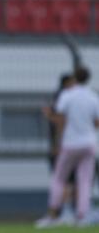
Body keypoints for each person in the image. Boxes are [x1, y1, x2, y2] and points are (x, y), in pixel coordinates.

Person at [37, 66, 99, 227]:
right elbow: (97, 122)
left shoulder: (67, 95)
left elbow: (61, 120)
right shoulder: (93, 97)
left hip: (70, 143)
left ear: (75, 78)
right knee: (85, 181)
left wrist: (50, 117)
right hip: (89, 144)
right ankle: (82, 216)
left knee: (59, 179)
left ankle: (52, 215)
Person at [42, 74, 77, 224]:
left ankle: (59, 213)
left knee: (63, 180)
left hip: (66, 146)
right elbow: (61, 123)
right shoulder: (66, 98)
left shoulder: (63, 98)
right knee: (68, 181)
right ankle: (64, 212)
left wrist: (49, 116)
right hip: (67, 146)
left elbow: (59, 121)